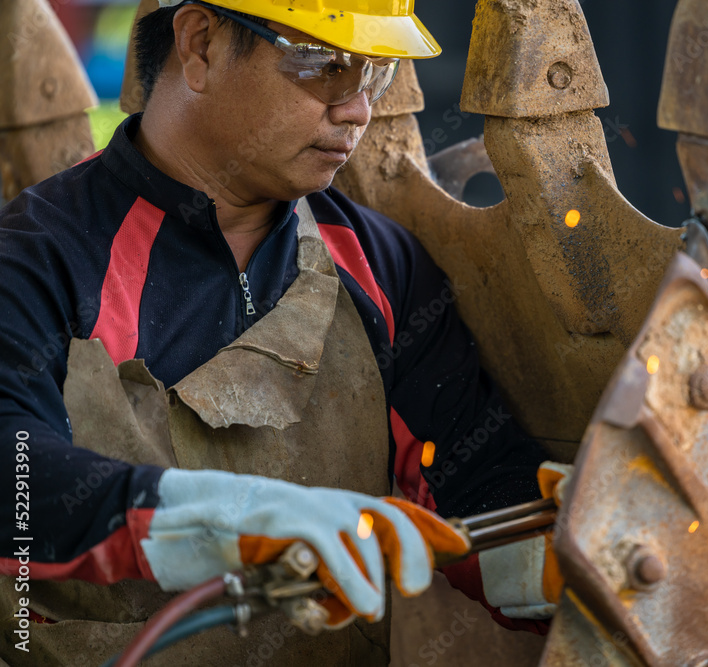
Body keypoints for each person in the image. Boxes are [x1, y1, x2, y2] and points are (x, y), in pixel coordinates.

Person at [0, 1, 563, 664]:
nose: (356, 109)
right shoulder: (38, 257)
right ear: (201, 44)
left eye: (373, 74)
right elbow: (17, 480)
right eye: (324, 65)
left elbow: (474, 488)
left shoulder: (378, 264)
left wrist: (565, 560)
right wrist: (214, 515)